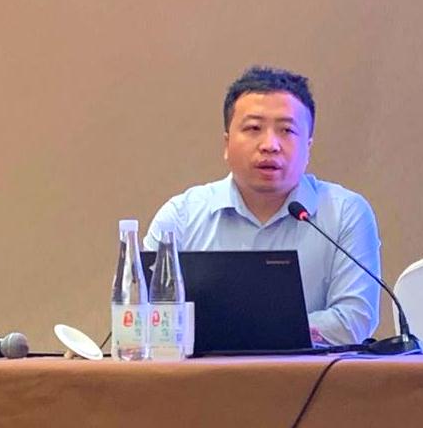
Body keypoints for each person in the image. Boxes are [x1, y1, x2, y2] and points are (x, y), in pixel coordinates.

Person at [143, 66, 381, 345]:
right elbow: (145, 317)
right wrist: (271, 329)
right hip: (204, 374)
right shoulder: (180, 218)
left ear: (308, 147)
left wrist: (235, 329)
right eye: (254, 128)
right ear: (226, 143)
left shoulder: (345, 214)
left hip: (313, 374)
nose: (270, 145)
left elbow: (354, 320)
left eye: (286, 130)